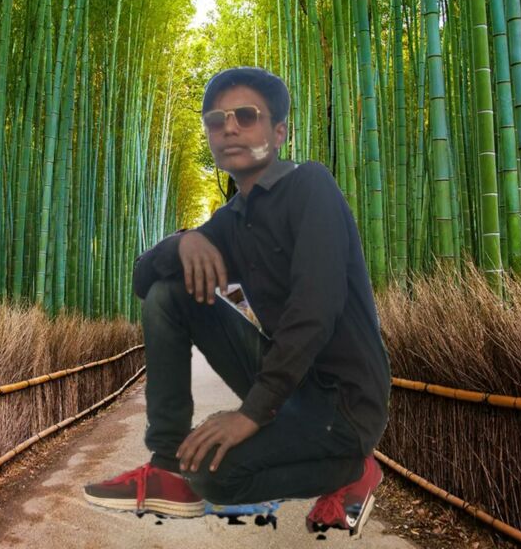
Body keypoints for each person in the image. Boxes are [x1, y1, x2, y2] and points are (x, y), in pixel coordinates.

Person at [84, 67, 391, 536]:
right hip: (292, 386)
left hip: (344, 404)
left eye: (245, 116)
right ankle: (166, 470)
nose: (228, 128)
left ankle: (353, 468)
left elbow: (315, 312)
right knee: (170, 293)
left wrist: (250, 414)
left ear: (278, 132)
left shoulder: (311, 185)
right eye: (216, 120)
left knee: (214, 475)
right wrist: (183, 242)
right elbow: (144, 280)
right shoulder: (232, 219)